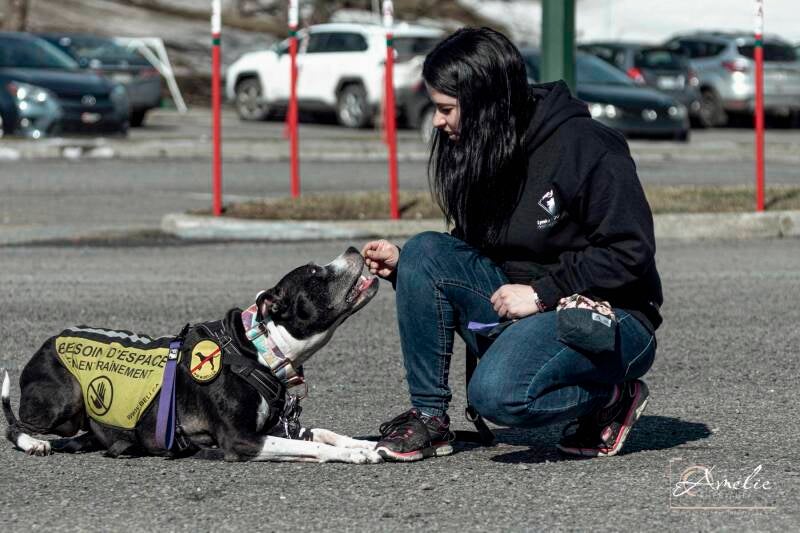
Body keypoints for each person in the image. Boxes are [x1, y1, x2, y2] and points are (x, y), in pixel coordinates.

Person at [362, 27, 662, 462]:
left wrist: (542, 294)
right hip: (522, 306)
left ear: (486, 104)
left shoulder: (587, 146)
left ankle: (612, 396)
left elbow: (629, 251)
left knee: (500, 397)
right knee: (426, 251)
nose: (437, 121)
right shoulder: (482, 143)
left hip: (608, 316)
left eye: (446, 109)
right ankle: (429, 419)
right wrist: (409, 270)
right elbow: (470, 253)